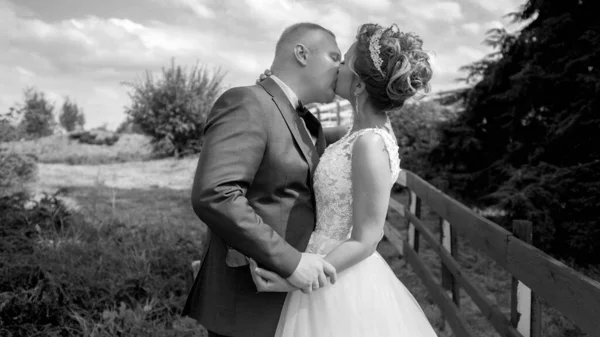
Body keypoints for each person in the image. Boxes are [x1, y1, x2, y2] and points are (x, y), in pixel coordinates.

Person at [249, 23, 439, 336]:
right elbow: (319, 142)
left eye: (343, 61)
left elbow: (366, 239)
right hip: (321, 258)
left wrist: (299, 277)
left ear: (360, 85)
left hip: (338, 275)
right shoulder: (358, 136)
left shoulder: (369, 144)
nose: (336, 67)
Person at [182, 22, 348, 337]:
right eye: (334, 56)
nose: (340, 68)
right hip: (250, 302)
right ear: (302, 53)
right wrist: (292, 262)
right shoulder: (247, 102)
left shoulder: (310, 123)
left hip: (299, 299)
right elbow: (217, 194)